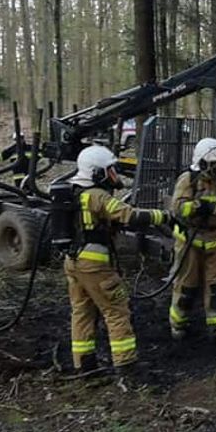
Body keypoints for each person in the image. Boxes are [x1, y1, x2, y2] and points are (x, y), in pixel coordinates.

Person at [65, 144, 166, 376]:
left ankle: (84, 365)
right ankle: (126, 365)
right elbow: (129, 215)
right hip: (95, 265)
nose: (113, 175)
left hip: (73, 262)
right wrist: (163, 216)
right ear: (97, 172)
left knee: (82, 312)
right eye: (109, 170)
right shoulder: (97, 195)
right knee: (116, 310)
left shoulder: (72, 191)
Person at [168, 138, 216, 342]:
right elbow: (178, 208)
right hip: (190, 241)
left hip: (214, 240)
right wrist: (201, 206)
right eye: (215, 164)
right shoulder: (188, 179)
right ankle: (178, 324)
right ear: (203, 162)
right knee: (187, 286)